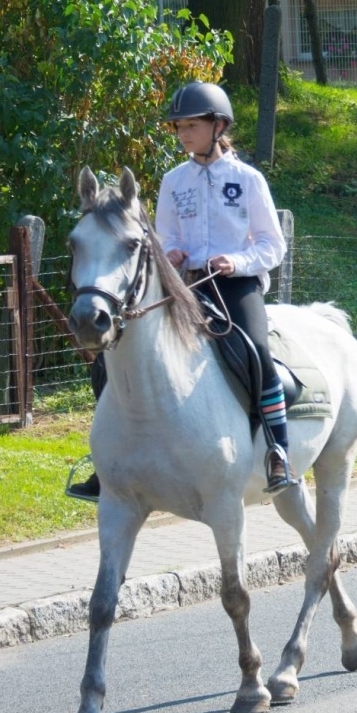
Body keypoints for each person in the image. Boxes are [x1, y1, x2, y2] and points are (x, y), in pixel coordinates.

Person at [68, 81, 292, 502]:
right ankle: (106, 465)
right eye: (179, 127)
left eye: (192, 125)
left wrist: (236, 261)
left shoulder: (248, 180)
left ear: (218, 125)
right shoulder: (174, 181)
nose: (184, 134)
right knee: (109, 356)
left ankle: (278, 451)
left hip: (234, 285)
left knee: (258, 352)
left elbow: (272, 245)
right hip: (182, 284)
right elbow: (164, 235)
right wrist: (170, 252)